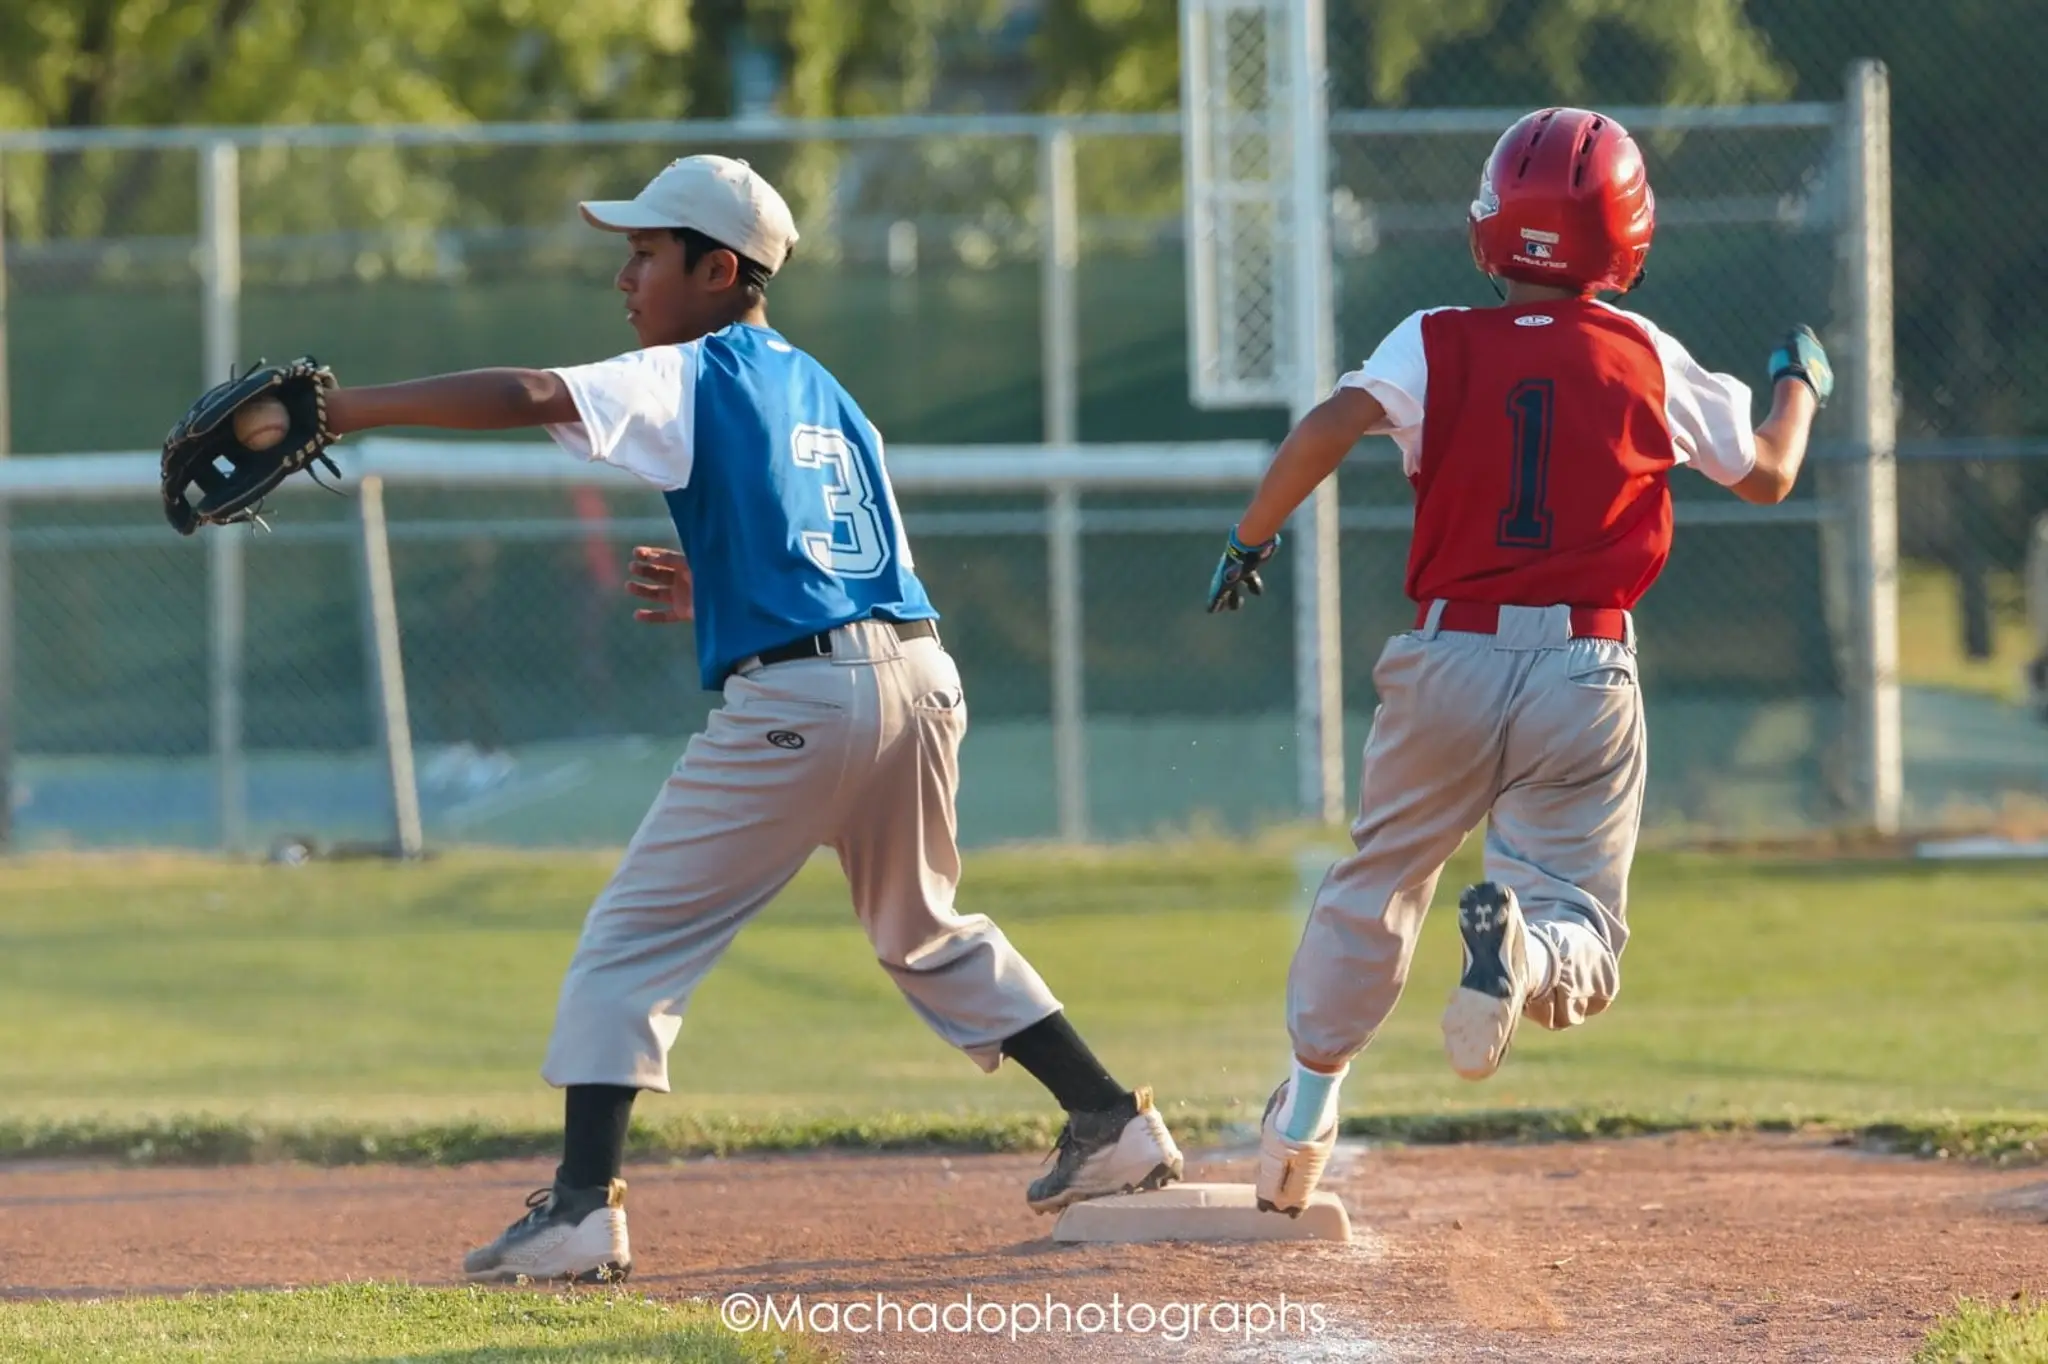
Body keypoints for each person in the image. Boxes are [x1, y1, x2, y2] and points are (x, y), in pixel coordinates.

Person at [316, 154, 1183, 1281]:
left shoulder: (688, 370)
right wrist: (725, 587)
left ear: (718, 269)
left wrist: (346, 408)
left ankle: (581, 1207)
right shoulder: (832, 395)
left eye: (644, 251)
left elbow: (533, 393)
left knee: (629, 943)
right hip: (919, 680)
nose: (624, 276)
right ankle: (1111, 1120)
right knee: (922, 929)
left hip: (804, 704)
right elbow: (853, 561)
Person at [1203, 108, 1832, 1216]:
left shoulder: (1432, 336)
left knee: (1375, 882)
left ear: (1489, 226)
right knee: (1576, 910)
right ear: (1624, 240)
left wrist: (1249, 537)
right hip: (1583, 670)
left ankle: (1301, 1117)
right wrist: (1798, 382)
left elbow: (1327, 424)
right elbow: (1770, 472)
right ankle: (1526, 958)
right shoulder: (1644, 352)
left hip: (1445, 655)